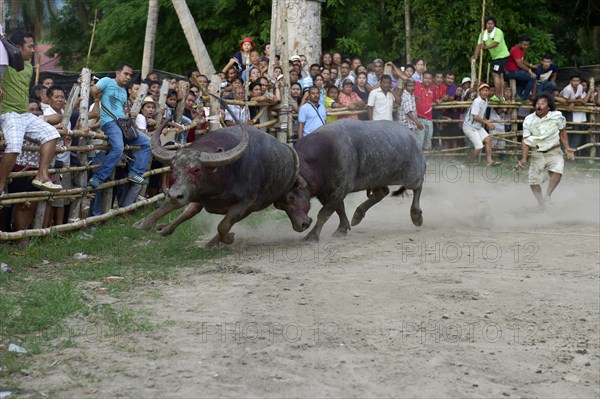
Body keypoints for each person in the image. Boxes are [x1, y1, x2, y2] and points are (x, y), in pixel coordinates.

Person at [0, 31, 62, 196]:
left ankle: (41, 176)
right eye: (30, 46)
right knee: (14, 146)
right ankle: (0, 186)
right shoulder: (3, 62)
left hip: (24, 114)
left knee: (52, 134)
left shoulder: (28, 66)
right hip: (8, 113)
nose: (33, 50)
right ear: (18, 47)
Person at [88, 62, 152, 188]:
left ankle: (135, 172)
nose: (128, 77)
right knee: (118, 147)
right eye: (125, 74)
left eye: (130, 75)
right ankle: (98, 176)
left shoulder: (123, 91)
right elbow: (93, 91)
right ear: (117, 73)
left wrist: (129, 115)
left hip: (123, 125)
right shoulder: (106, 81)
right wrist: (90, 86)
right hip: (110, 123)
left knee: (148, 142)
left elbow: (123, 111)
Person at [518, 94, 575, 208]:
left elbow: (562, 132)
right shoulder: (529, 119)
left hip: (554, 150)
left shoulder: (557, 116)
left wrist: (567, 148)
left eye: (543, 103)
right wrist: (524, 158)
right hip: (537, 153)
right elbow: (525, 140)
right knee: (533, 182)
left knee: (557, 171)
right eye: (538, 103)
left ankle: (548, 194)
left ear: (548, 107)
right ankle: (541, 203)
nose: (539, 105)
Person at [462, 83, 502, 166]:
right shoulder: (477, 101)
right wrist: (487, 123)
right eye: (483, 90)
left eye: (487, 90)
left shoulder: (486, 100)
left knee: (488, 139)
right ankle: (469, 164)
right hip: (469, 127)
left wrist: (487, 122)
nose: (485, 92)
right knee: (479, 146)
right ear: (479, 92)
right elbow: (475, 117)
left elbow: (481, 115)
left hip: (477, 127)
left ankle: (489, 161)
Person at [471, 16, 510, 100]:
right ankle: (501, 96)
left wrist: (485, 47)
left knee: (495, 74)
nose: (490, 25)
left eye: (491, 23)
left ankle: (497, 95)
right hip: (496, 57)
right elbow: (479, 45)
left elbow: (496, 43)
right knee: (500, 75)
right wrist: (476, 54)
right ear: (485, 24)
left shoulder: (498, 32)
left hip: (502, 56)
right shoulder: (483, 33)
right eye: (488, 23)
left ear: (494, 25)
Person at [505, 35, 537, 101]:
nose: (526, 46)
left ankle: (518, 95)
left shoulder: (522, 49)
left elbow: (522, 60)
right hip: (511, 72)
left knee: (524, 80)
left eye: (527, 45)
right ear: (519, 43)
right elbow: (519, 64)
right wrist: (529, 71)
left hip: (517, 71)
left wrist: (530, 65)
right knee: (533, 77)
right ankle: (525, 97)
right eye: (524, 45)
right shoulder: (515, 49)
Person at [414, 71, 435, 150]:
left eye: (429, 78)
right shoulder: (417, 85)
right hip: (419, 118)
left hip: (429, 119)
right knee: (419, 142)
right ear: (422, 78)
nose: (427, 80)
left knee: (427, 143)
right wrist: (392, 65)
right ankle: (417, 161)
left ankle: (426, 160)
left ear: (432, 80)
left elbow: (435, 100)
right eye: (426, 78)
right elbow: (404, 77)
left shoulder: (432, 89)